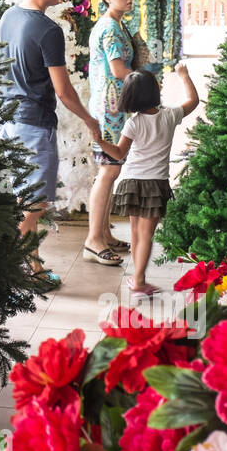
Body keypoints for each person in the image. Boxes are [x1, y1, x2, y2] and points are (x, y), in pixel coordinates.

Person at [0, 0, 101, 287]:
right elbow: (64, 91)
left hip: (8, 119)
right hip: (34, 125)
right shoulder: (48, 30)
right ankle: (19, 272)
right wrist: (89, 119)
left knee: (21, 198)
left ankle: (29, 266)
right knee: (34, 203)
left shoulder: (8, 17)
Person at [94, 63, 199, 295]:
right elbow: (194, 100)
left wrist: (101, 143)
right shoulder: (170, 116)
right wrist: (184, 75)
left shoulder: (133, 123)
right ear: (153, 92)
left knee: (135, 231)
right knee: (146, 235)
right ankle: (139, 279)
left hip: (132, 182)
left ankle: (137, 276)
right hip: (155, 184)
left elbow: (119, 154)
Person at [85, 0, 135, 266]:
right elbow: (118, 71)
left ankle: (103, 232)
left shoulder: (113, 24)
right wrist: (146, 79)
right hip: (110, 110)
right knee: (108, 171)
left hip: (111, 107)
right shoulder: (111, 29)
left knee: (110, 171)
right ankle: (93, 239)